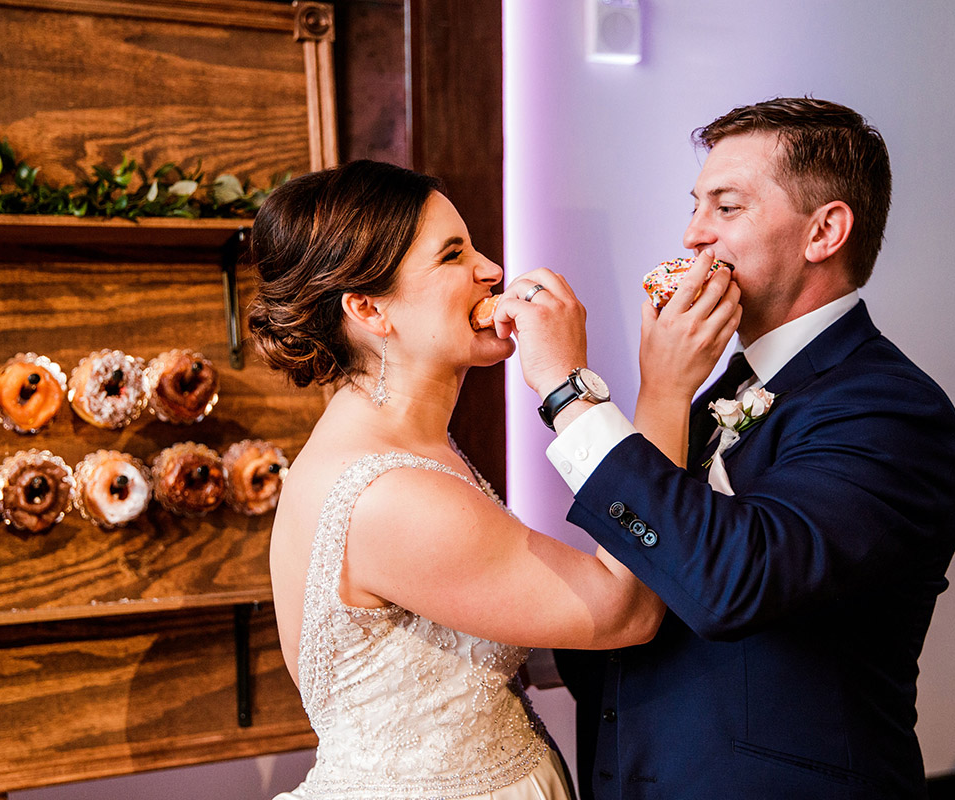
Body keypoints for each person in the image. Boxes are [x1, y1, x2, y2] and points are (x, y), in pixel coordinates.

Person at [498, 98, 955, 799]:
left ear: (824, 232)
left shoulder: (892, 411)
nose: (693, 235)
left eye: (726, 208)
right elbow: (658, 578)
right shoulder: (720, 390)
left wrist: (572, 396)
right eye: (696, 206)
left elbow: (733, 583)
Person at [247, 160, 738, 799]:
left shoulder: (405, 441)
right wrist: (664, 387)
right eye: (453, 255)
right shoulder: (389, 494)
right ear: (370, 308)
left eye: (474, 245)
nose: (492, 270)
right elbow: (626, 610)